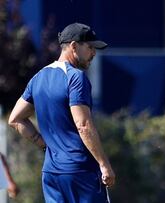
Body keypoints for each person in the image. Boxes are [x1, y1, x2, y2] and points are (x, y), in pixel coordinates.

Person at [8, 22, 115, 203]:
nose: (94, 53)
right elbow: (83, 125)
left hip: (51, 174)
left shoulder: (38, 77)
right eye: (90, 47)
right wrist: (104, 165)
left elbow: (15, 119)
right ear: (74, 46)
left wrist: (44, 145)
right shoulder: (76, 77)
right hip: (80, 172)